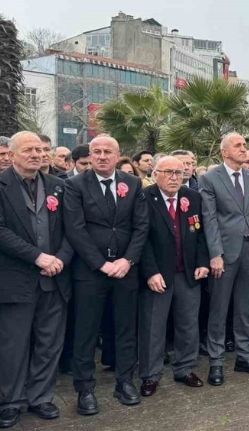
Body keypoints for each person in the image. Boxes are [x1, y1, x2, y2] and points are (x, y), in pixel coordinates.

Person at [63, 135, 149, 415]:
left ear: (117, 154)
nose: (101, 156)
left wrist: (128, 260)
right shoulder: (75, 185)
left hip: (126, 269)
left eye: (107, 152)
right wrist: (101, 264)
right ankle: (85, 389)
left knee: (126, 328)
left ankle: (125, 381)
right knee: (86, 331)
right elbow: (75, 229)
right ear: (90, 155)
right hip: (90, 271)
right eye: (96, 152)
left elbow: (141, 227)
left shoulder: (132, 184)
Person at [0, 132, 73, 428]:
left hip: (55, 279)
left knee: (49, 342)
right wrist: (37, 257)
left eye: (41, 150)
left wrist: (60, 259)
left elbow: (73, 229)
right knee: (13, 344)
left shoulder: (58, 186)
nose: (36, 154)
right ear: (12, 154)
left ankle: (40, 397)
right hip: (17, 280)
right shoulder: (2, 185)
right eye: (28, 150)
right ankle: (10, 400)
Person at [200, 132, 249, 385]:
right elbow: (209, 219)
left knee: (245, 307)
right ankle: (216, 361)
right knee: (219, 309)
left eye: (244, 145)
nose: (244, 149)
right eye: (238, 145)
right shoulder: (209, 179)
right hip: (225, 253)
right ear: (224, 152)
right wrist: (215, 254)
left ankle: (244, 356)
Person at [137, 156, 210, 397]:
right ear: (155, 173)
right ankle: (150, 375)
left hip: (188, 273)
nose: (174, 177)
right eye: (168, 172)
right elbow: (141, 239)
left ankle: (185, 368)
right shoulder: (145, 198)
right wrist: (150, 271)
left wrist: (202, 263)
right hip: (158, 274)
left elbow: (200, 234)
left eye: (178, 172)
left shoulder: (193, 197)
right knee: (153, 327)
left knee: (188, 324)